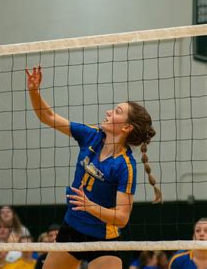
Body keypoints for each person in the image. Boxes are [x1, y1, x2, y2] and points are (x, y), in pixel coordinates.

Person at [26, 66, 159, 269]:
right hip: (72, 228)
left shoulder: (125, 166)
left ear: (126, 127)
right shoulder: (91, 136)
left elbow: (122, 218)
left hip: (103, 239)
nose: (108, 112)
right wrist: (34, 91)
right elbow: (49, 117)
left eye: (117, 111)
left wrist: (90, 206)